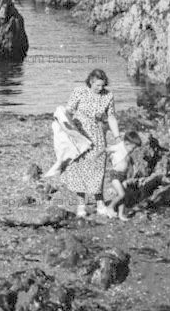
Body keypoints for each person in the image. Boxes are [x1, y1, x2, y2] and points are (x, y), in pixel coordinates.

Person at [60, 69, 121, 218]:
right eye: (97, 85)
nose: (100, 88)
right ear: (91, 82)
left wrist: (117, 136)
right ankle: (81, 205)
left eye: (103, 85)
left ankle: (100, 204)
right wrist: (66, 127)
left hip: (97, 135)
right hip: (79, 136)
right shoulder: (79, 92)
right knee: (79, 169)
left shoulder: (108, 96)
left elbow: (111, 117)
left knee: (98, 168)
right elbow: (68, 111)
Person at [104, 131, 142, 221]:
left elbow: (130, 161)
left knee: (123, 196)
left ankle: (121, 214)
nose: (133, 150)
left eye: (134, 149)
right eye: (132, 148)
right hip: (115, 174)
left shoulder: (127, 152)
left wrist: (134, 167)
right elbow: (106, 149)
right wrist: (96, 157)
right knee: (121, 194)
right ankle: (110, 207)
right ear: (126, 143)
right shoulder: (119, 147)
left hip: (123, 176)